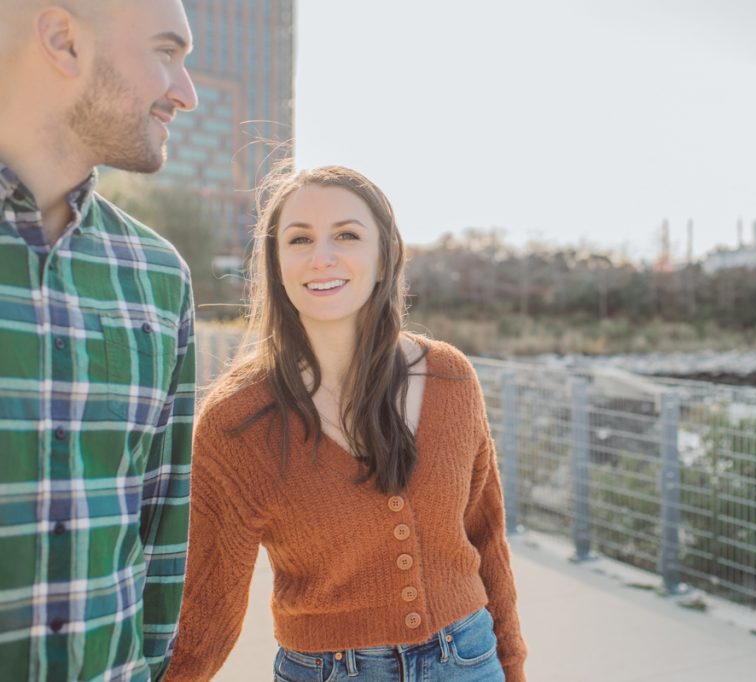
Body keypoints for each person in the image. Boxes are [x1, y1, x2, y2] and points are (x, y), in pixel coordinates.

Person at [164, 165, 528, 681]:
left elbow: (485, 537)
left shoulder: (450, 378)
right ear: (277, 264)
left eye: (347, 235)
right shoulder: (238, 422)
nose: (322, 257)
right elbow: (206, 600)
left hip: (469, 658)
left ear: (385, 257)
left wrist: (511, 665)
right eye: (300, 239)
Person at [0, 0, 199, 680]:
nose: (187, 93)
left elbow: (163, 523)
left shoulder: (160, 276)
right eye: (167, 52)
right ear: (63, 40)